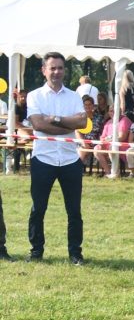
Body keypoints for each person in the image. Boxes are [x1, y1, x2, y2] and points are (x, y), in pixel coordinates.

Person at [25, 52, 88, 265]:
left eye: (60, 68)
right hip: (43, 158)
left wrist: (55, 119)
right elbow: (38, 125)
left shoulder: (74, 96)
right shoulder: (34, 96)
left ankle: (75, 254)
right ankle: (36, 252)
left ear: (64, 70)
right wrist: (66, 124)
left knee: (74, 211)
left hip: (70, 160)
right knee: (38, 208)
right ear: (44, 70)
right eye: (52, 68)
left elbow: (81, 123)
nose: (57, 72)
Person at [76, 95, 102, 174]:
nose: (87, 106)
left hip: (95, 142)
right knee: (82, 151)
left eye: (89, 104)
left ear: (93, 106)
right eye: (85, 105)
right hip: (82, 142)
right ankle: (77, 171)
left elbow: (101, 132)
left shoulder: (99, 117)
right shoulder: (79, 118)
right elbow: (77, 132)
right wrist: (84, 143)